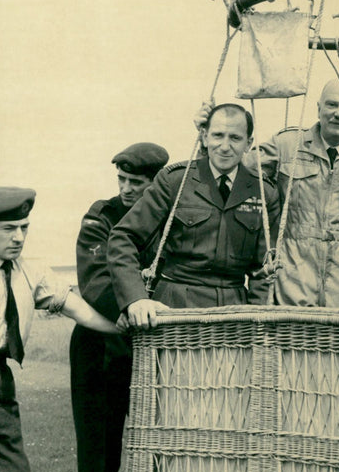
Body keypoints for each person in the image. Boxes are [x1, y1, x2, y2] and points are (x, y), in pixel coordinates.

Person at [0, 187, 121, 472]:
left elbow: (79, 310)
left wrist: (127, 329)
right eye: (8, 229)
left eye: (24, 228)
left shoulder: (28, 270)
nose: (18, 237)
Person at [195, 78, 339, 309]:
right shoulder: (287, 145)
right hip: (290, 290)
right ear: (319, 108)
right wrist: (205, 140)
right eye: (332, 105)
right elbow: (233, 168)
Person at [108, 103, 280, 329]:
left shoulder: (263, 192)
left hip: (234, 316)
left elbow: (264, 269)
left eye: (235, 138)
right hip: (172, 311)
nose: (225, 146)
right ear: (205, 137)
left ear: (248, 144)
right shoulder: (175, 181)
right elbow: (123, 237)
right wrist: (136, 299)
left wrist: (256, 319)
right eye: (218, 136)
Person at [70, 142, 169, 472]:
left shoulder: (171, 219)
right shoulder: (101, 215)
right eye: (121, 179)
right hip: (100, 348)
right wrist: (134, 306)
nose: (125, 189)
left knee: (163, 446)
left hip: (156, 347)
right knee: (99, 454)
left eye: (136, 182)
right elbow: (96, 280)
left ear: (156, 184)